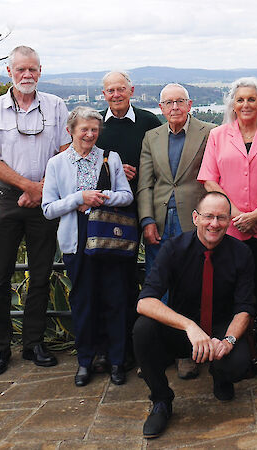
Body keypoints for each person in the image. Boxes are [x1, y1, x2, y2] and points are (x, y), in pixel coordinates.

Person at [133, 191, 255, 439]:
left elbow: (245, 307)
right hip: (184, 332)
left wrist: (228, 341)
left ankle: (221, 376)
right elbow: (145, 302)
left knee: (239, 363)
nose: (214, 223)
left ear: (229, 221)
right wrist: (189, 326)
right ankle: (161, 401)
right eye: (208, 216)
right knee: (143, 329)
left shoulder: (241, 253)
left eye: (221, 217)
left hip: (222, 329)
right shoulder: (174, 249)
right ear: (195, 217)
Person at [0, 46, 71, 377]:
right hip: (6, 200)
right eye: (21, 69)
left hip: (44, 200)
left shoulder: (56, 106)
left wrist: (43, 188)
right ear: (9, 72)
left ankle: (34, 342)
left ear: (40, 71)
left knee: (41, 273)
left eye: (33, 69)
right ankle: (0, 347)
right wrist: (27, 187)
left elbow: (66, 150)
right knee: (0, 276)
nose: (27, 75)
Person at [198, 77, 257, 358]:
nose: (245, 104)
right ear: (232, 104)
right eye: (240, 99)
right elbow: (209, 180)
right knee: (230, 289)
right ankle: (233, 348)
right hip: (228, 227)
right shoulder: (218, 135)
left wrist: (256, 215)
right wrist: (237, 215)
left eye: (251, 99)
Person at [41, 106, 134, 386]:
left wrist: (100, 197)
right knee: (83, 300)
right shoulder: (56, 163)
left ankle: (116, 360)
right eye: (84, 129)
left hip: (106, 233)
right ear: (71, 131)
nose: (90, 134)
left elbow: (126, 196)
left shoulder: (110, 158)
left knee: (115, 299)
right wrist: (78, 198)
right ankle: (85, 361)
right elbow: (48, 209)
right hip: (75, 236)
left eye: (94, 129)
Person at [137, 83, 217, 379]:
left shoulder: (209, 132)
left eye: (179, 102)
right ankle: (158, 352)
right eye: (168, 103)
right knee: (160, 287)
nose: (174, 107)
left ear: (189, 104)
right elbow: (145, 183)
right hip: (159, 221)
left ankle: (188, 352)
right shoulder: (151, 137)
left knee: (191, 287)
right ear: (160, 108)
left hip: (195, 221)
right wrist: (146, 220)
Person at [94, 70, 162, 373]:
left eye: (121, 89)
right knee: (116, 280)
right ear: (103, 94)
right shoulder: (96, 123)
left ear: (131, 90)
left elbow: (162, 159)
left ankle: (148, 342)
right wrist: (115, 170)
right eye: (110, 90)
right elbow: (86, 160)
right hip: (110, 215)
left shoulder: (148, 121)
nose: (116, 95)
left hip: (145, 208)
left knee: (152, 275)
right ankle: (118, 347)